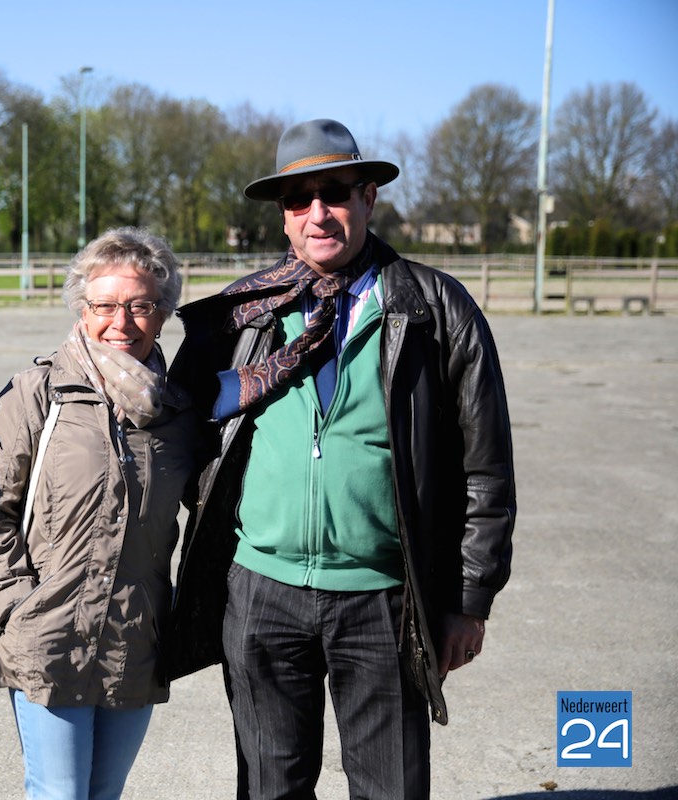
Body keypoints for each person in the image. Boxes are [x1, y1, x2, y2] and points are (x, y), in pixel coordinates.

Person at [166, 119, 516, 799]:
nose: (318, 213)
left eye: (335, 194)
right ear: (283, 215)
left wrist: (470, 600)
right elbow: (179, 434)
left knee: (391, 788)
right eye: (300, 199)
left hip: (384, 596)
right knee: (270, 787)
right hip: (260, 592)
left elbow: (487, 469)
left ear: (368, 198)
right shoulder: (239, 316)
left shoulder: (436, 309)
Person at [0, 227, 195, 800]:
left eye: (140, 306)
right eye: (105, 305)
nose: (122, 322)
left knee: (104, 794)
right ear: (82, 308)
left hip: (133, 641)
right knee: (60, 794)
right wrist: (14, 605)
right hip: (46, 633)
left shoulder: (178, 413)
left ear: (163, 313)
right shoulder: (36, 392)